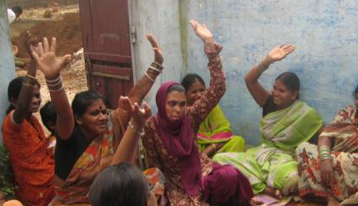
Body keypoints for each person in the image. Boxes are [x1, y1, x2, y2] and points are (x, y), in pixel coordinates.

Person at [122, 20, 254, 205]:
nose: (178, 109)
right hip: (176, 182)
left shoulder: (190, 116)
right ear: (162, 102)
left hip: (202, 170)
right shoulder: (152, 125)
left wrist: (209, 43)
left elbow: (218, 87)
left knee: (230, 176)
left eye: (182, 104)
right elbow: (154, 163)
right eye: (172, 103)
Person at [30, 33, 164, 204]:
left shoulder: (110, 124)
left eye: (103, 111)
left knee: (152, 180)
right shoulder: (69, 138)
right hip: (74, 203)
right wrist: (53, 78)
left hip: (108, 196)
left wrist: (157, 65)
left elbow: (135, 95)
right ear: (79, 119)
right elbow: (64, 112)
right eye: (94, 113)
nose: (102, 117)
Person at [295, 41, 358, 205]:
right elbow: (326, 136)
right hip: (335, 169)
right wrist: (325, 159)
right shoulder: (348, 113)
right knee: (303, 148)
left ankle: (354, 202)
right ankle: (329, 198)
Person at [213, 44, 323, 198]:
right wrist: (267, 61)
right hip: (258, 157)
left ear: (294, 94)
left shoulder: (306, 114)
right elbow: (249, 80)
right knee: (219, 160)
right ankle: (265, 189)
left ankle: (253, 184)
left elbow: (324, 136)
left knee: (293, 180)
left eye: (282, 91)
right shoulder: (268, 102)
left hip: (283, 160)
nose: (276, 93)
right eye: (275, 88)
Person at [2, 33, 55, 205]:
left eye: (38, 95)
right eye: (30, 97)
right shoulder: (13, 122)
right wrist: (33, 63)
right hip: (37, 187)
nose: (36, 100)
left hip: (49, 175)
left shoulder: (32, 120)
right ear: (14, 101)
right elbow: (23, 106)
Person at [181, 73, 246, 157]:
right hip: (193, 147)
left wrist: (211, 148)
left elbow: (225, 132)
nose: (199, 95)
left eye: (202, 90)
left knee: (238, 141)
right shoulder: (182, 110)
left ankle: (214, 162)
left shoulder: (211, 106)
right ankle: (215, 163)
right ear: (185, 94)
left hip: (214, 145)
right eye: (194, 92)